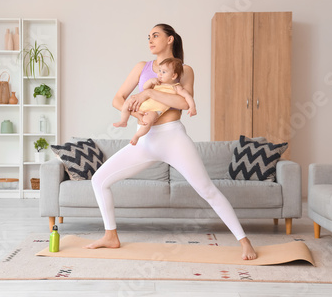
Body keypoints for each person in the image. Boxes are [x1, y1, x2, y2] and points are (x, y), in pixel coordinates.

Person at [84, 23, 257, 260]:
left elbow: (185, 104)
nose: (150, 40)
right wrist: (138, 115)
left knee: (208, 190)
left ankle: (244, 241)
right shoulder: (142, 67)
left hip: (172, 137)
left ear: (170, 39)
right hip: (145, 140)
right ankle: (111, 236)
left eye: (155, 35)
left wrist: (150, 93)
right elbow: (118, 98)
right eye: (148, 37)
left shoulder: (184, 69)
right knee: (99, 179)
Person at [113, 57, 197, 145]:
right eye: (159, 71)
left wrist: (192, 107)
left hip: (155, 110)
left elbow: (187, 97)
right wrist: (150, 81)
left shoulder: (176, 87)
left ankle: (137, 136)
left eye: (163, 72)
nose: (160, 74)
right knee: (127, 103)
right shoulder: (157, 83)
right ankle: (123, 121)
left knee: (147, 121)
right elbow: (145, 88)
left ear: (173, 76)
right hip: (143, 106)